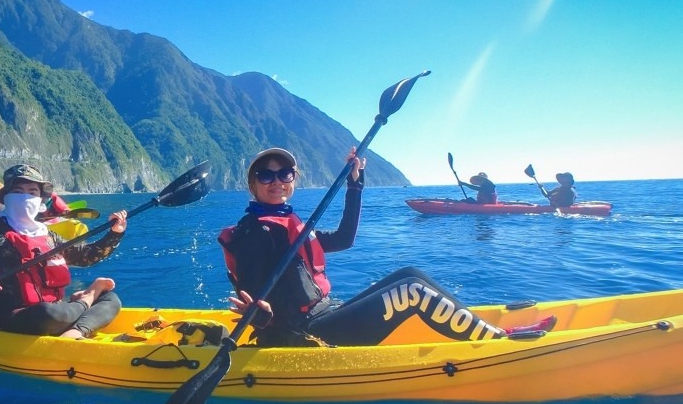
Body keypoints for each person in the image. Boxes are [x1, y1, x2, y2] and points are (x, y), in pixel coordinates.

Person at [219, 148, 555, 347]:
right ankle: (497, 342)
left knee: (411, 274)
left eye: (285, 174)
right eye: (266, 176)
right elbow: (254, 303)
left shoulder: (287, 223)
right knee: (411, 292)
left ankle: (480, 326)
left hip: (325, 314)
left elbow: (344, 239)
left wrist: (355, 184)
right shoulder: (255, 232)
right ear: (252, 185)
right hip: (300, 335)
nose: (276, 181)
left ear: (294, 180)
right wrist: (260, 317)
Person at [0, 164, 128, 340]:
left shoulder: (48, 235)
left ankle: (75, 331)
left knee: (111, 299)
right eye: (18, 192)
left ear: (40, 199)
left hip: (55, 312)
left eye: (32, 192)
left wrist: (115, 233)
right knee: (47, 312)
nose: (25, 198)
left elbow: (87, 256)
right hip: (8, 317)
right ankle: (87, 299)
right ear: (6, 196)